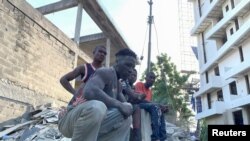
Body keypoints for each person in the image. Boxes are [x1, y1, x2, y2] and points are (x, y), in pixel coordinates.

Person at [58, 48, 137, 141]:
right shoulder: (106, 72)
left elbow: (126, 108)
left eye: (133, 67)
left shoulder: (118, 84)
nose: (131, 70)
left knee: (125, 117)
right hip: (69, 120)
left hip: (91, 122)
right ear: (117, 61)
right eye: (128, 65)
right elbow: (90, 91)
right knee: (98, 107)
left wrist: (127, 107)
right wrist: (119, 105)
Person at [134, 72, 168, 141]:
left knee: (160, 110)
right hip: (139, 104)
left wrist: (161, 107)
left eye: (154, 78)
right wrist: (157, 105)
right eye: (150, 77)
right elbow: (141, 99)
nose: (152, 80)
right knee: (155, 107)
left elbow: (150, 103)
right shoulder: (139, 84)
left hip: (147, 106)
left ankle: (163, 137)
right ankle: (155, 137)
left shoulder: (150, 91)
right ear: (146, 78)